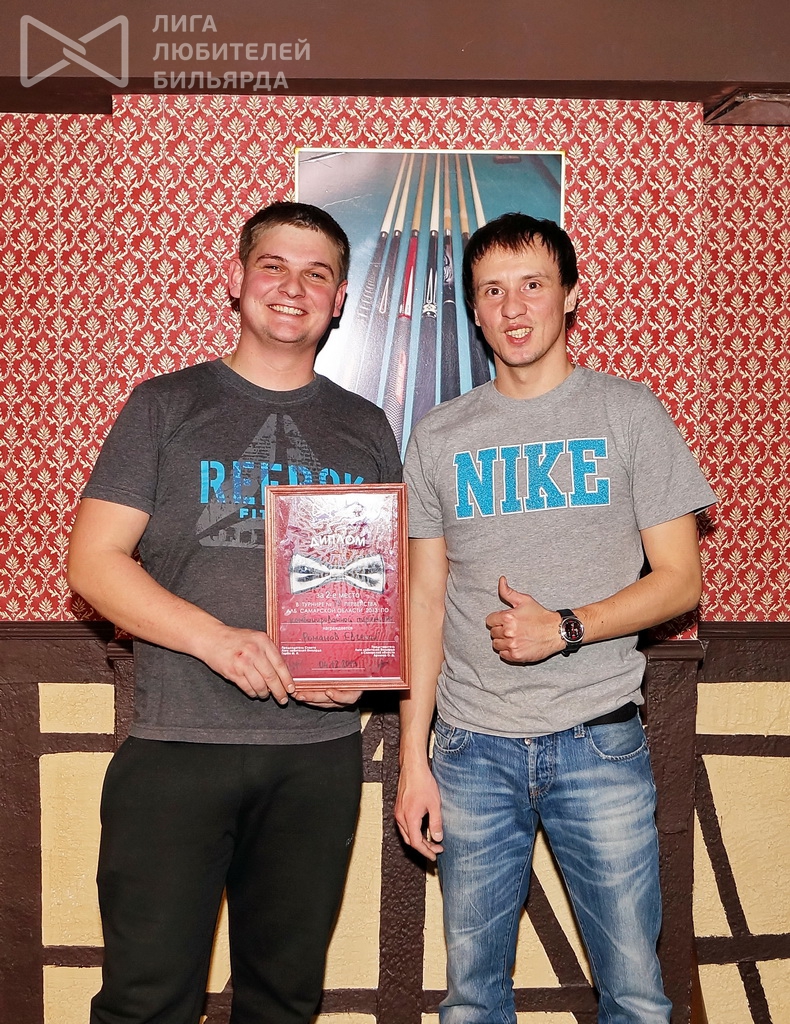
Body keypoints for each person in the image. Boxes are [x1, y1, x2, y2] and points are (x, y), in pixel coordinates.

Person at [68, 202, 401, 1024]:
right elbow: (93, 563)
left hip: (316, 758)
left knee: (284, 1002)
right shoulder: (164, 404)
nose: (293, 287)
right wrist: (217, 641)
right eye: (273, 266)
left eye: (317, 273)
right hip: (176, 747)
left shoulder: (365, 426)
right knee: (146, 1000)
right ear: (237, 278)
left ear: (340, 299)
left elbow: (384, 585)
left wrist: (360, 674)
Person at [394, 212, 716, 1024]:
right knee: (472, 999)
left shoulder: (629, 414)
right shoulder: (438, 436)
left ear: (570, 295)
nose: (513, 308)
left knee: (636, 995)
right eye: (491, 291)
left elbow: (680, 581)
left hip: (598, 738)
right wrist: (413, 759)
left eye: (532, 285)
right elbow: (423, 601)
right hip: (469, 748)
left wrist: (566, 627)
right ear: (474, 311)